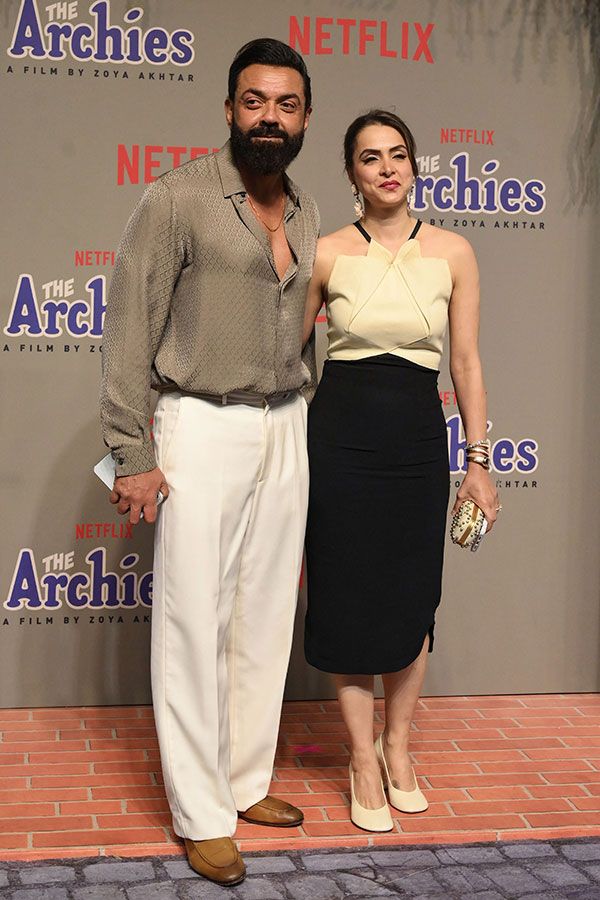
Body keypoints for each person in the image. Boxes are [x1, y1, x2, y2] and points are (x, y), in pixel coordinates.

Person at [100, 38, 319, 885]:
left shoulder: (302, 207)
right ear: (229, 109)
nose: (271, 117)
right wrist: (131, 450)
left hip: (284, 421)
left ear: (305, 116)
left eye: (287, 104)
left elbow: (306, 324)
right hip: (199, 421)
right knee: (195, 620)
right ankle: (199, 812)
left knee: (263, 614)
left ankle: (243, 781)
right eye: (255, 101)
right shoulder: (178, 198)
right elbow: (128, 331)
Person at [302, 110, 499, 832]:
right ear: (350, 172)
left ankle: (399, 745)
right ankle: (360, 757)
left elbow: (467, 362)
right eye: (369, 157)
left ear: (414, 164)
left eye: (397, 155)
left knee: (413, 599)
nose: (386, 167)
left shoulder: (454, 251)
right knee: (348, 596)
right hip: (340, 438)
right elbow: (288, 355)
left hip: (418, 438)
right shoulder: (324, 252)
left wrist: (476, 461)